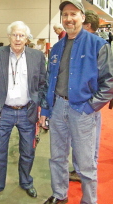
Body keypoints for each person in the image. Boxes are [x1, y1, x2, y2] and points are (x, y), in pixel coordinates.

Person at [40, 1, 113, 204]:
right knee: (57, 157)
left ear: (82, 16)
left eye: (73, 14)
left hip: (83, 110)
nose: (69, 19)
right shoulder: (56, 48)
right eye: (65, 15)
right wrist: (46, 109)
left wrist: (90, 106)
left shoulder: (98, 45)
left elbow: (109, 83)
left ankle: (89, 200)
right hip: (58, 108)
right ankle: (59, 194)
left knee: (85, 162)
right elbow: (49, 81)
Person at [0, 21, 48, 199]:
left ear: (27, 38)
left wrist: (38, 104)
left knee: (28, 151)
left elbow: (43, 84)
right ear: (9, 36)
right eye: (14, 35)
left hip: (28, 112)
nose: (18, 39)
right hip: (5, 112)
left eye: (21, 35)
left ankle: (26, 182)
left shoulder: (36, 56)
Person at [69, 9, 101, 183]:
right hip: (83, 103)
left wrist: (92, 104)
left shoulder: (96, 45)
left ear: (86, 24)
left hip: (88, 104)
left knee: (88, 142)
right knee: (85, 141)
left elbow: (106, 81)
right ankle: (82, 168)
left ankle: (86, 170)